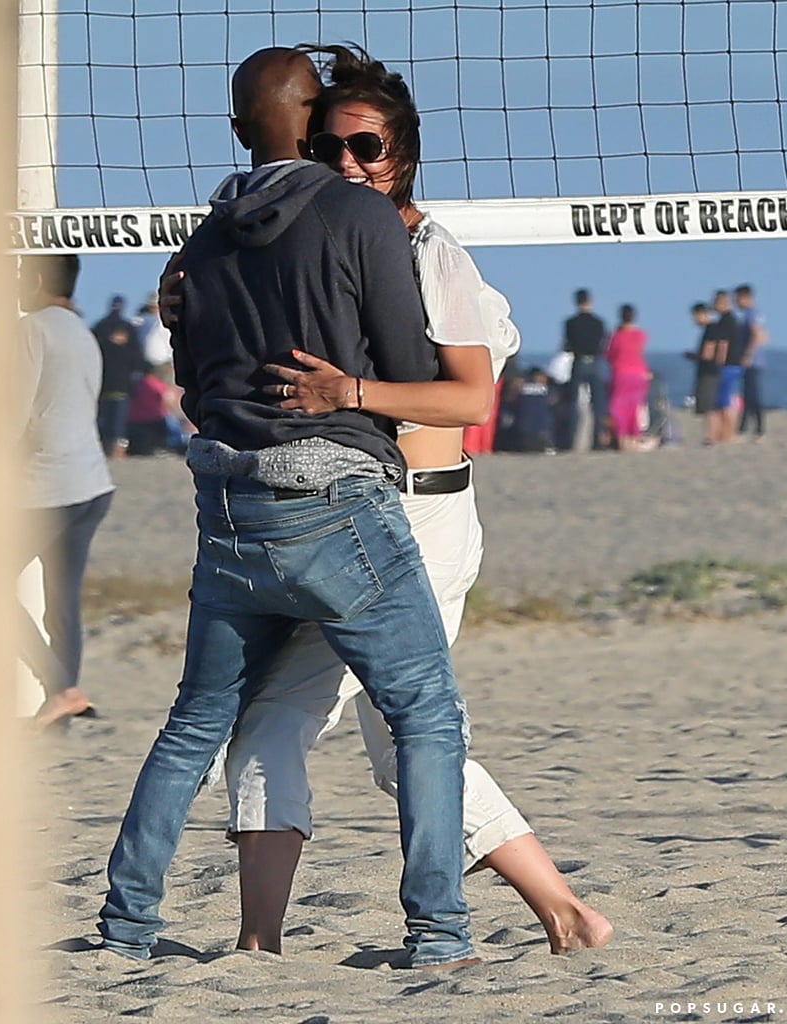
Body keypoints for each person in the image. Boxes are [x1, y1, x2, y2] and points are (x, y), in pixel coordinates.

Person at [208, 44, 612, 959]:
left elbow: (467, 399)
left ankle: (554, 912)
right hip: (344, 514)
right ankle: (258, 945)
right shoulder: (328, 241)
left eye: (369, 150)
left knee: (401, 739)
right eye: (328, 149)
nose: (348, 165)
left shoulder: (427, 250)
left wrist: (348, 394)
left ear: (405, 152)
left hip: (421, 518)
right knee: (276, 722)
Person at [97, 47, 481, 970]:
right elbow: (412, 372)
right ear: (312, 127)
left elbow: (194, 383)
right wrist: (344, 375)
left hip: (229, 504)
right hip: (337, 501)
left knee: (197, 718)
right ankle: (437, 934)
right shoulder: (359, 215)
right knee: (425, 713)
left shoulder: (204, 236)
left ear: (238, 130)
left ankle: (125, 927)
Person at [15, 254, 114, 729]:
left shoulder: (33, 328)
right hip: (91, 483)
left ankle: (62, 689)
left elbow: (15, 415)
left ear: (35, 278)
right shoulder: (82, 330)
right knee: (63, 602)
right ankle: (60, 716)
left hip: (47, 486)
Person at [92, 295, 143, 457]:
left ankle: (109, 450)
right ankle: (114, 451)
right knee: (115, 421)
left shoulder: (100, 327)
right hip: (117, 384)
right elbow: (137, 358)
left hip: (106, 384)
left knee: (107, 420)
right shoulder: (124, 327)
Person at [563, 288, 607, 451]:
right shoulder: (599, 323)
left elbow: (567, 345)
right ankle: (597, 442)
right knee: (598, 405)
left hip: (579, 361)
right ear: (590, 301)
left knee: (573, 404)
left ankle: (570, 441)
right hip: (594, 362)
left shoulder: (570, 323)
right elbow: (602, 345)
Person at [605, 304, 649, 451]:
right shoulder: (640, 335)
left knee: (619, 408)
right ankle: (634, 438)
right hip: (639, 374)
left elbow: (609, 355)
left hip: (622, 373)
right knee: (634, 407)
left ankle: (623, 440)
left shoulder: (615, 336)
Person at [735, 284, 768, 441]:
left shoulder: (751, 314)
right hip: (755, 360)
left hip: (752, 362)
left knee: (752, 396)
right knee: (748, 395)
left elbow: (756, 335)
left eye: (738, 299)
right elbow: (763, 335)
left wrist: (748, 354)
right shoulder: (755, 314)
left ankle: (759, 430)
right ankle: (744, 428)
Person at [712, 290, 744, 443]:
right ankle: (727, 433)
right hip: (735, 364)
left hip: (728, 366)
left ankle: (728, 433)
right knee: (727, 400)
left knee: (725, 401)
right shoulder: (733, 320)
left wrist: (718, 363)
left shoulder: (726, 321)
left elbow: (723, 345)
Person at [688, 302, 721, 446]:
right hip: (710, 371)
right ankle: (711, 435)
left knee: (708, 407)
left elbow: (708, 354)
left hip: (709, 371)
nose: (694, 320)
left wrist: (693, 356)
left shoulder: (711, 329)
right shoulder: (711, 329)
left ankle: (710, 436)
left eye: (695, 316)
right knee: (708, 406)